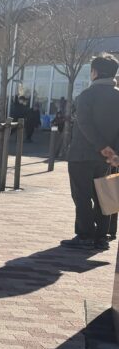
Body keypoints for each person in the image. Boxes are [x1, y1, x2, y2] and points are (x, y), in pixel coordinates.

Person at [62, 53, 119, 250]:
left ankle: (85, 235)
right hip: (108, 158)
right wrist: (114, 152)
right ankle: (102, 236)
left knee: (82, 196)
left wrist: (102, 147)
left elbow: (84, 124)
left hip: (82, 154)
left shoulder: (87, 95)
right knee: (105, 195)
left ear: (94, 72)